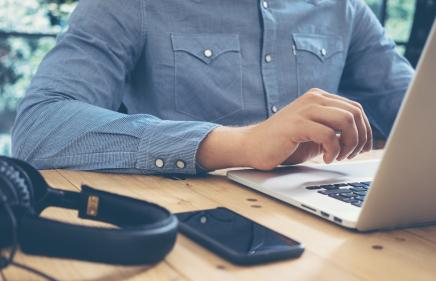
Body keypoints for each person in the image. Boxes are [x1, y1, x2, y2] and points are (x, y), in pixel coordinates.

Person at [12, 0, 414, 175]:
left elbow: (418, 113)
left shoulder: (345, 8)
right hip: (180, 234)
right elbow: (39, 128)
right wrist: (238, 144)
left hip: (320, 233)